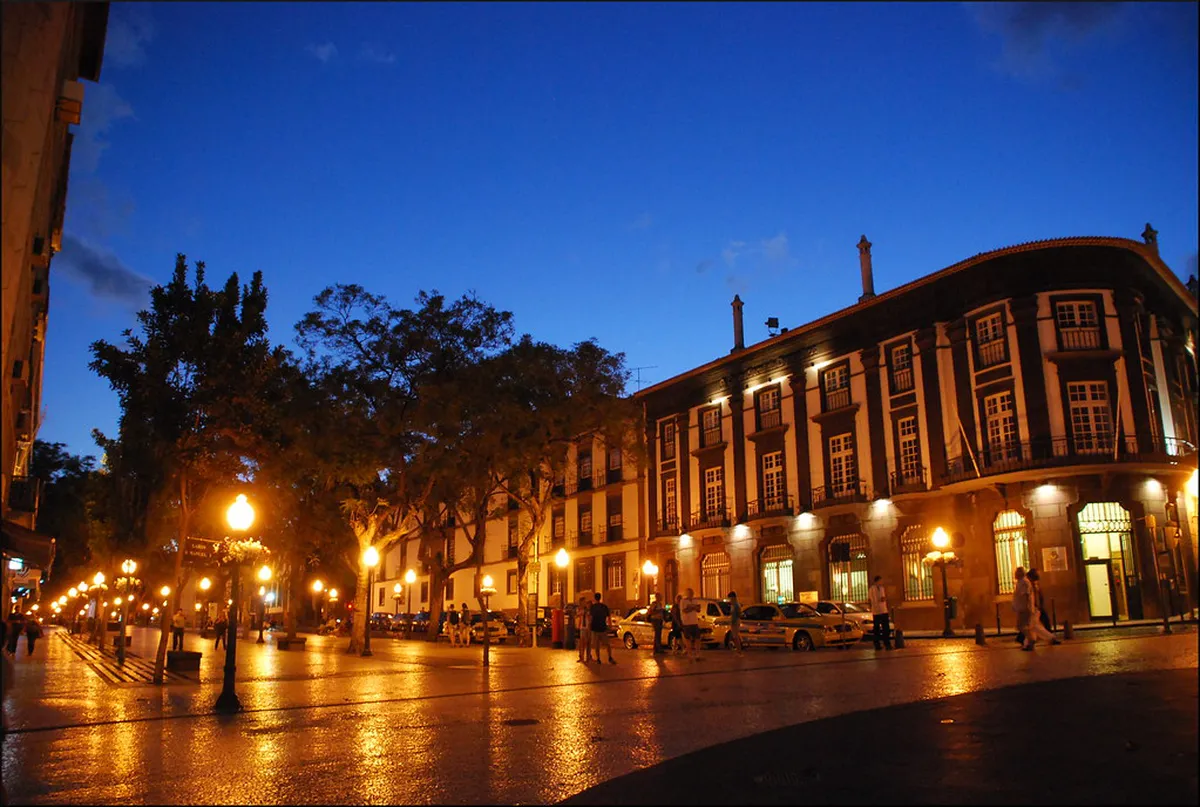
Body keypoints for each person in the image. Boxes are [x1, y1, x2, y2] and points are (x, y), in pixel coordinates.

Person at [1026, 569, 1062, 648]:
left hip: (1034, 608)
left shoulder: (1032, 585)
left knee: (1033, 626)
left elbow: (1033, 597)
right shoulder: (1032, 585)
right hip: (1035, 608)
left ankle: (1032, 641)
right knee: (1032, 626)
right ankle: (1030, 642)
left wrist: (1036, 606)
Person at [589, 592, 616, 664]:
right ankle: (610, 657)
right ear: (600, 598)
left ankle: (598, 659)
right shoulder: (604, 606)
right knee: (607, 644)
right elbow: (608, 617)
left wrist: (589, 626)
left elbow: (591, 618)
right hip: (603, 627)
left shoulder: (593, 607)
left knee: (597, 644)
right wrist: (610, 626)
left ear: (595, 598)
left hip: (595, 627)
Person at [1013, 567, 1035, 651]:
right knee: (1024, 626)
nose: (1014, 574)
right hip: (1022, 608)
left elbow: (1025, 595)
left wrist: (1025, 607)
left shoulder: (1024, 582)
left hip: (1024, 608)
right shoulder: (1020, 582)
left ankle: (1031, 640)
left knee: (1021, 626)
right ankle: (1029, 642)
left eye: (1016, 572)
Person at [868, 575, 893, 651]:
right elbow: (872, 599)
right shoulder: (872, 589)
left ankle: (887, 643)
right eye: (880, 581)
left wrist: (883, 599)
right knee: (877, 629)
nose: (881, 582)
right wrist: (879, 600)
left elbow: (883, 598)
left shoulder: (882, 588)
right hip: (876, 611)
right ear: (877, 581)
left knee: (886, 628)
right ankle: (877, 644)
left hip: (883, 610)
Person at [679, 587, 701, 661]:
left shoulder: (695, 600)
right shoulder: (683, 601)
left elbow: (698, 609)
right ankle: (690, 654)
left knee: (697, 638)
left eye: (692, 593)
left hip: (695, 622)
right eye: (689, 593)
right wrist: (693, 608)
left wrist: (694, 607)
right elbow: (684, 610)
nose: (691, 594)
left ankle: (697, 654)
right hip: (687, 623)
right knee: (688, 639)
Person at [576, 596, 593, 663]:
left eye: (584, 602)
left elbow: (591, 617)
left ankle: (588, 657)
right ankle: (581, 657)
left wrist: (588, 615)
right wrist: (582, 612)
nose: (584, 603)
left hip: (588, 628)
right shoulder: (580, 609)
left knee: (588, 643)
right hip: (582, 628)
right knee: (582, 643)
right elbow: (577, 615)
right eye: (583, 602)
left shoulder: (588, 609)